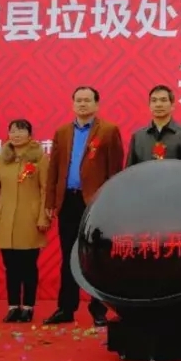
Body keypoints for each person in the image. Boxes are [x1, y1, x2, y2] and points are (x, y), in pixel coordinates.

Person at [44, 86, 124, 327]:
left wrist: (111, 202)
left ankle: (98, 309)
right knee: (68, 256)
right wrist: (50, 202)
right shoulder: (62, 132)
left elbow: (115, 170)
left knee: (96, 256)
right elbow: (53, 169)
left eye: (87, 100)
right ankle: (65, 308)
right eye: (78, 100)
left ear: (96, 105)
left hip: (95, 203)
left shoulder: (109, 131)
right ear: (72, 104)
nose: (82, 104)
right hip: (68, 201)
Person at [0, 119, 51, 324]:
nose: (16, 134)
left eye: (21, 131)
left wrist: (43, 217)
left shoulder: (40, 157)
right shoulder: (2, 158)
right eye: (12, 131)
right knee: (10, 266)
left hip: (30, 219)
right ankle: (13, 306)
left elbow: (45, 190)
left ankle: (28, 307)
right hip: (5, 219)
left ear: (30, 135)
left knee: (28, 266)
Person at [127, 85, 181, 165]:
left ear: (172, 105)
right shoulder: (138, 137)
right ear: (149, 106)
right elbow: (130, 170)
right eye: (154, 100)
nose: (158, 104)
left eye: (163, 100)